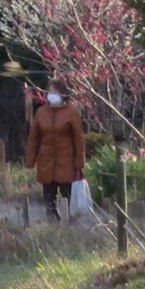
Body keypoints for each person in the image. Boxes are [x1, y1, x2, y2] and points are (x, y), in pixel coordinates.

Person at [26, 87, 86, 219]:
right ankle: (52, 223)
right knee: (49, 198)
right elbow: (33, 139)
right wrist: (30, 161)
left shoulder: (72, 111)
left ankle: (70, 224)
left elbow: (79, 139)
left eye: (55, 91)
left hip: (66, 162)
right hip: (46, 161)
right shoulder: (41, 113)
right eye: (50, 91)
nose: (52, 94)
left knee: (68, 196)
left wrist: (79, 162)